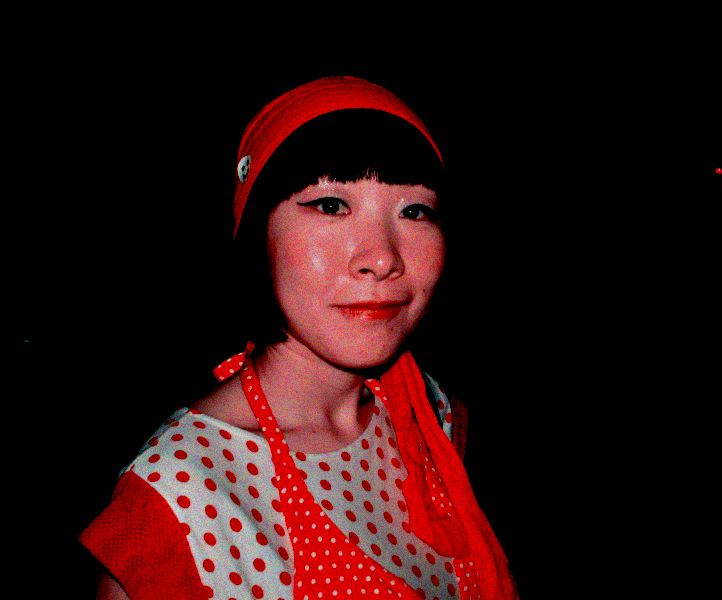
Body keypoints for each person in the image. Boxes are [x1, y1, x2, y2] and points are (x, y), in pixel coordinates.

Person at [79, 75, 518, 599]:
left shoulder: (429, 415)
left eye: (414, 211)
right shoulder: (178, 498)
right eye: (331, 205)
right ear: (257, 232)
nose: (382, 258)